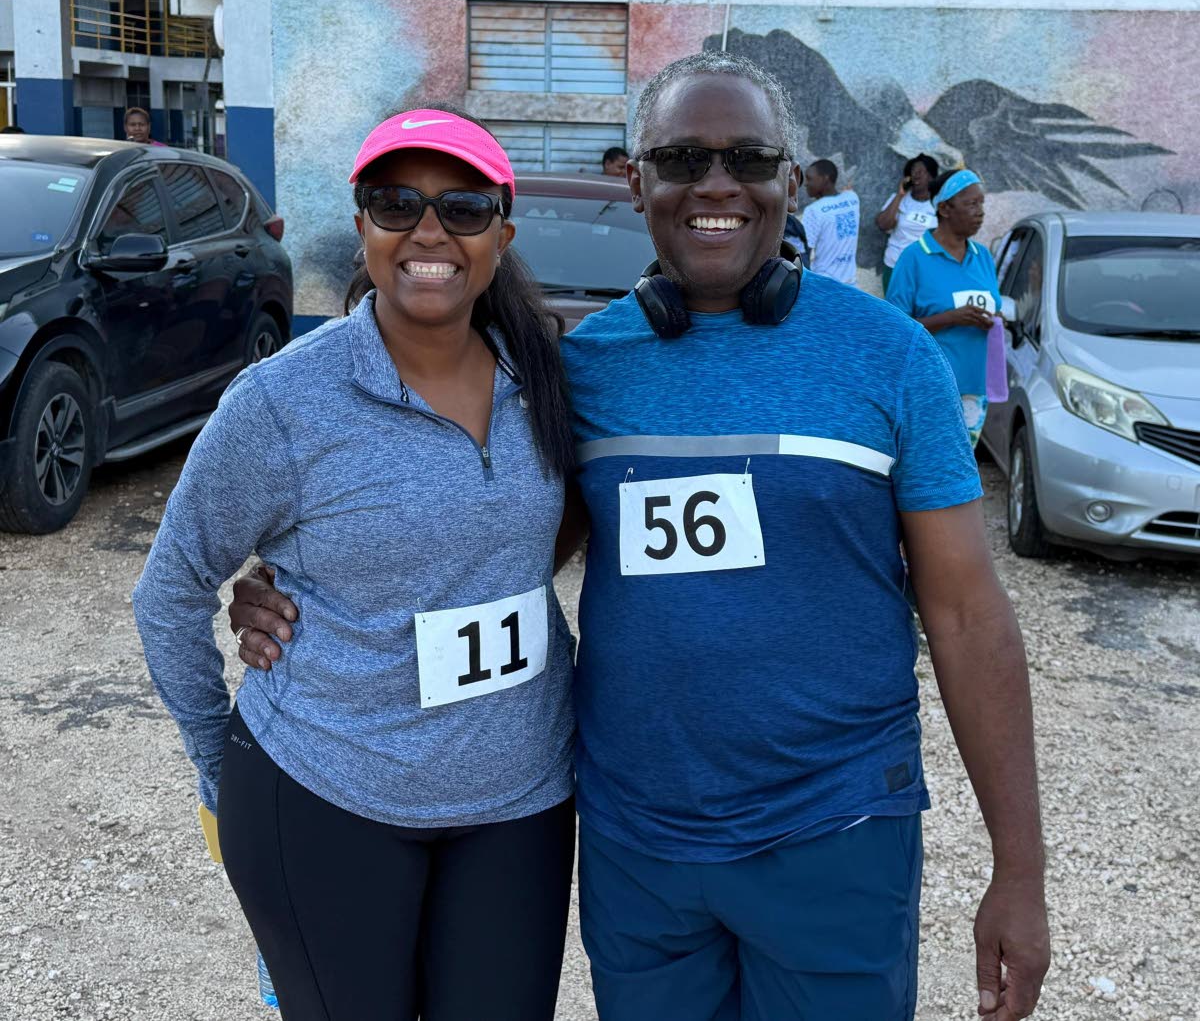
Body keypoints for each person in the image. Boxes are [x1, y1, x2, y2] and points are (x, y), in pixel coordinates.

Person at [228, 55, 1050, 1021]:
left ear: (790, 180)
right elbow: (501, 547)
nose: (715, 184)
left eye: (747, 158)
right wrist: (302, 581)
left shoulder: (890, 358)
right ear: (637, 180)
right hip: (637, 849)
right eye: (682, 158)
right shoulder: (583, 370)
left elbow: (964, 613)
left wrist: (1019, 870)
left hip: (837, 831)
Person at [132, 105, 579, 1021]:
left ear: (503, 231)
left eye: (461, 208)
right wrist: (221, 761)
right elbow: (170, 590)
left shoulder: (550, 378)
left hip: (521, 804)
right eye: (395, 202)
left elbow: (553, 531)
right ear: (362, 224)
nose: (428, 231)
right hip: (325, 797)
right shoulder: (283, 403)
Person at [885, 168, 1001, 449]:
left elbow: (993, 306)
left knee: (960, 470)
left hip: (974, 389)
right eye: (972, 204)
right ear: (945, 208)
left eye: (981, 203)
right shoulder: (914, 258)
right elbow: (892, 329)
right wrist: (950, 318)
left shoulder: (982, 256)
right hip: (929, 389)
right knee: (930, 473)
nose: (980, 212)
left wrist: (994, 319)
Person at [876, 153, 938, 293]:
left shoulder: (938, 205)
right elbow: (883, 225)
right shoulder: (898, 200)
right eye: (913, 171)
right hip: (895, 266)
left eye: (920, 171)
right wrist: (900, 195)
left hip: (923, 270)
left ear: (931, 176)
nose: (915, 175)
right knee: (894, 312)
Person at [800, 157, 860, 284]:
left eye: (809, 178)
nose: (806, 183)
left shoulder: (813, 211)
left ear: (825, 178)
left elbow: (804, 254)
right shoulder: (853, 198)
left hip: (825, 284)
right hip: (851, 283)